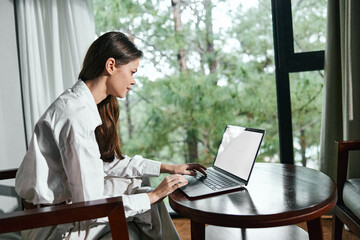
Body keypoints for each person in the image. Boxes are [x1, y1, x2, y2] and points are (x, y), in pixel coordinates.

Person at [15, 31, 207, 240]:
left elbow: (105, 165)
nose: (133, 81)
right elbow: (90, 205)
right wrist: (153, 196)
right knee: (147, 199)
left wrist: (167, 168)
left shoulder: (82, 105)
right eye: (132, 72)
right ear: (111, 65)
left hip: (64, 209)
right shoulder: (75, 115)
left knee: (142, 190)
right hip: (53, 223)